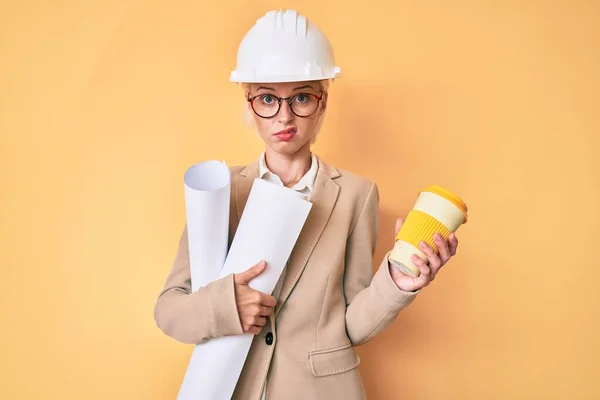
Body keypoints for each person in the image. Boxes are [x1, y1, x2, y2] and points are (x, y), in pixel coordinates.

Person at [154, 9, 459, 400]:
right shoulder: (220, 190)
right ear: (249, 105)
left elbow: (351, 325)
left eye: (301, 97)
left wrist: (398, 283)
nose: (284, 116)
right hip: (233, 389)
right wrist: (225, 306)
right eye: (267, 99)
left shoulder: (356, 195)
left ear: (323, 103)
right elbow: (169, 310)